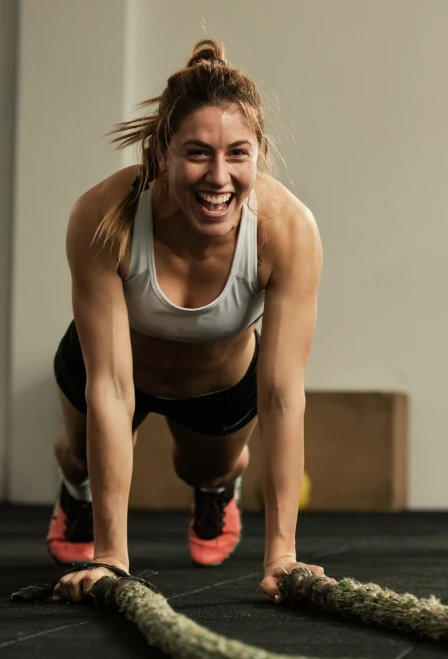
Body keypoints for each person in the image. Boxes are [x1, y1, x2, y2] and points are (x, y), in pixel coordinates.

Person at [47, 39, 324, 602]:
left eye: (237, 154)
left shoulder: (288, 231)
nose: (218, 177)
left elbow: (281, 397)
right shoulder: (103, 217)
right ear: (160, 154)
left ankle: (216, 491)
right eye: (196, 153)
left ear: (260, 152)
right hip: (115, 366)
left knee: (208, 469)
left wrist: (283, 556)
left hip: (218, 385)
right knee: (78, 453)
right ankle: (75, 492)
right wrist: (111, 560)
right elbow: (110, 385)